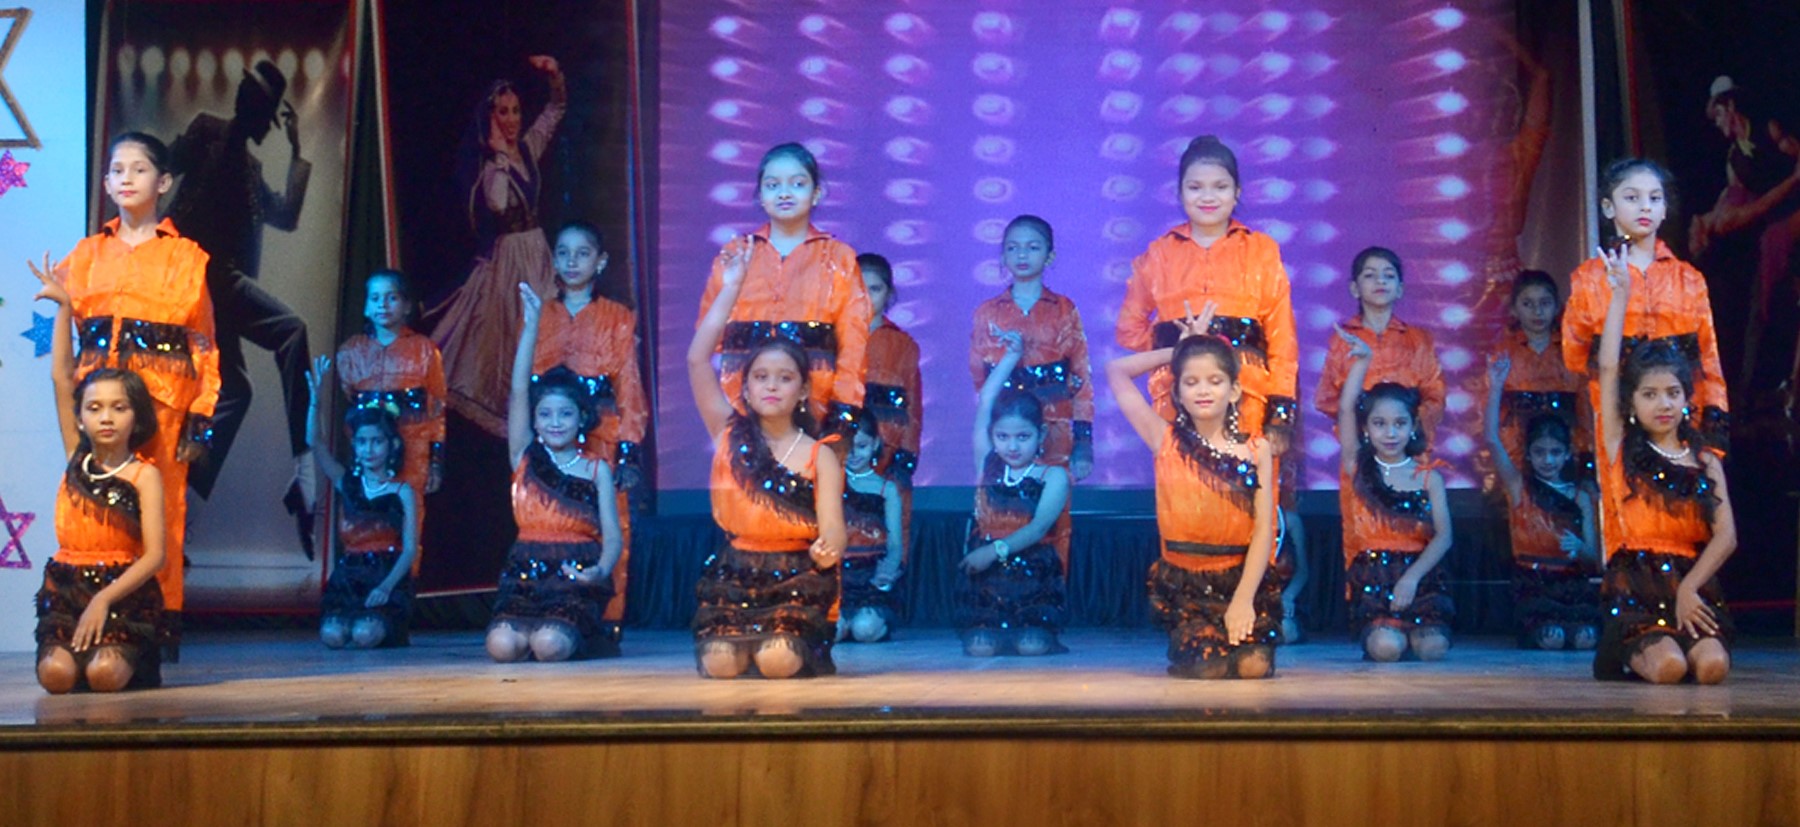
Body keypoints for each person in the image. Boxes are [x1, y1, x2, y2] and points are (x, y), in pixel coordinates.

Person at [43, 132, 216, 655]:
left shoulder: (186, 257)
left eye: (138, 169)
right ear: (105, 183)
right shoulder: (86, 254)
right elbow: (70, 334)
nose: (126, 179)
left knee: (162, 514)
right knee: (95, 504)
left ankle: (147, 632)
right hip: (98, 402)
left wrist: (200, 414)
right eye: (117, 170)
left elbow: (204, 343)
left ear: (163, 182)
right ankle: (90, 621)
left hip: (162, 403)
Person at [688, 243, 845, 678]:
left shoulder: (820, 454)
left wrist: (829, 548)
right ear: (746, 387)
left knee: (777, 662)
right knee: (721, 665)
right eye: (760, 377)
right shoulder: (728, 433)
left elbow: (833, 528)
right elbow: (697, 360)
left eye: (784, 378)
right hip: (737, 575)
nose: (771, 386)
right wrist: (731, 287)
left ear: (803, 390)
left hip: (797, 578)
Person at [167, 59, 314, 510]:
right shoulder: (209, 132)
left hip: (220, 289)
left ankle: (182, 484)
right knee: (291, 330)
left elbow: (286, 216)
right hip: (199, 276)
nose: (268, 128)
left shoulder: (251, 169)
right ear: (249, 106)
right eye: (265, 116)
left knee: (236, 390)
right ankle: (305, 462)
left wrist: (297, 151)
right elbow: (165, 166)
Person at [1107, 301, 1279, 678]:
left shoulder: (1256, 449)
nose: (1203, 390)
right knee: (1210, 667)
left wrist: (1243, 600)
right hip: (1188, 584)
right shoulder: (1163, 439)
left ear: (1234, 390)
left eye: (1215, 381)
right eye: (1191, 381)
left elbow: (1264, 531)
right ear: (1178, 391)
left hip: (1239, 580)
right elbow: (1116, 371)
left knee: (1252, 667)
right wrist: (1181, 349)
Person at [1591, 244, 1737, 683]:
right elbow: (1608, 368)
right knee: (1671, 667)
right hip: (1636, 586)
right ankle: (1627, 650)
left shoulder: (1705, 459)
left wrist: (1690, 587)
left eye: (1673, 394)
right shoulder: (1620, 446)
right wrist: (1619, 296)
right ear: (1633, 404)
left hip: (1691, 582)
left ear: (1687, 399)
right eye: (1650, 395)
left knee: (1711, 668)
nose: (1664, 404)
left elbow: (1726, 536)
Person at [29, 267, 168, 693]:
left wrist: (104, 599)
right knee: (56, 677)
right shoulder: (78, 456)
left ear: (136, 417)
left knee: (103, 676)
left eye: (118, 408)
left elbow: (155, 556)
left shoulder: (144, 474)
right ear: (81, 418)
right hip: (68, 588)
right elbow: (61, 378)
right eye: (94, 408)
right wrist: (65, 308)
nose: (106, 417)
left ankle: (130, 660)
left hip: (122, 593)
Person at [1117, 135, 1299, 446]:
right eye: (1195, 187)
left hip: (1247, 396)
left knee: (1250, 475)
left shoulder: (1261, 250)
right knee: (1182, 476)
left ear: (1237, 192)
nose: (1208, 197)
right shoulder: (1159, 254)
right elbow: (1128, 330)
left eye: (1220, 187)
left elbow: (1282, 338)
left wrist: (1280, 413)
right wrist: (1178, 344)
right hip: (1177, 393)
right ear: (1179, 193)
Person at [484, 284, 624, 662]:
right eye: (545, 414)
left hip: (574, 577)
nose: (555, 422)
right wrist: (532, 326)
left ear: (581, 419)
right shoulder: (524, 458)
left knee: (549, 646)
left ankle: (576, 635)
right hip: (525, 574)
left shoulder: (596, 469)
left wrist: (600, 570)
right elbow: (519, 389)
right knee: (501, 648)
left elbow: (613, 537)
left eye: (565, 414)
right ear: (534, 420)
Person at [430, 56, 567, 437]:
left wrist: (555, 76)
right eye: (502, 112)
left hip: (537, 250)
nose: (511, 119)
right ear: (491, 117)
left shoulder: (528, 149)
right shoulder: (493, 165)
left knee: (547, 330)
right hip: (510, 258)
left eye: (516, 111)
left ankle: (550, 411)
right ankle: (516, 422)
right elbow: (498, 204)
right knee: (511, 335)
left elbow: (556, 110)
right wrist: (500, 155)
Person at [697, 142, 870, 437]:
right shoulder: (737, 254)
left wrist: (843, 412)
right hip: (744, 409)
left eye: (798, 184)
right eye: (772, 185)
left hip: (817, 410)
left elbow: (853, 344)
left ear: (817, 193)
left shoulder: (839, 258)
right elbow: (709, 335)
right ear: (760, 195)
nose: (784, 193)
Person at [1564, 158, 1729, 467]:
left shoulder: (1688, 279)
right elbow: (1575, 357)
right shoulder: (1589, 279)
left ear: (1665, 209)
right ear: (1608, 207)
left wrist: (1712, 441)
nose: (1645, 207)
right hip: (1619, 421)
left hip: (1683, 420)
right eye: (1632, 197)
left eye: (1654, 198)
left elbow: (1709, 361)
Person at [531, 220, 648, 640]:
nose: (572, 261)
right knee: (549, 518)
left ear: (600, 262)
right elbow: (523, 382)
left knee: (610, 521)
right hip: (549, 435)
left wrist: (629, 451)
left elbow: (628, 386)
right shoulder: (541, 314)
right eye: (563, 253)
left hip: (601, 435)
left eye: (582, 253)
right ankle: (548, 607)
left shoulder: (618, 316)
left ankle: (606, 617)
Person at [968, 215, 1090, 567]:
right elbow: (979, 378)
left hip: (1054, 431)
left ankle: (1050, 590)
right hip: (1007, 431)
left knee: (1053, 520)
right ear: (1002, 255)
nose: (1022, 255)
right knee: (1001, 508)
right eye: (1013, 248)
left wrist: (1083, 443)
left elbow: (1081, 378)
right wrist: (996, 426)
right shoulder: (987, 313)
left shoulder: (1064, 310)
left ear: (1050, 256)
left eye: (1033, 247)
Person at [1333, 325, 1454, 662]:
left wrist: (1411, 579)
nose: (1390, 433)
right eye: (1380, 424)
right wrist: (1363, 362)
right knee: (1386, 648)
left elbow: (1444, 536)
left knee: (1433, 649)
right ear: (1366, 429)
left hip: (1419, 578)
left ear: (1412, 427)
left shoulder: (1428, 477)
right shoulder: (1358, 466)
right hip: (1374, 579)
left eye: (1399, 424)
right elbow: (1345, 410)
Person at [957, 327, 1072, 657]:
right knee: (981, 649)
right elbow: (986, 402)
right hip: (987, 577)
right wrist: (1011, 356)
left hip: (1032, 574)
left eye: (1023, 437)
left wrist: (993, 552)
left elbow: (1037, 528)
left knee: (1030, 646)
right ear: (992, 436)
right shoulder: (988, 461)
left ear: (1041, 434)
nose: (1012, 446)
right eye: (1003, 437)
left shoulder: (1053, 476)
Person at [1484, 360, 1600, 650]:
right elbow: (1492, 440)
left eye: (1555, 453)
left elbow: (1594, 556)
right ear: (1529, 454)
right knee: (1553, 638)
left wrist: (1580, 548)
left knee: (1585, 639)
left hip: (1572, 584)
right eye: (1540, 452)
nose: (1548, 460)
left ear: (1567, 454)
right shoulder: (1519, 487)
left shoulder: (1580, 496)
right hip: (1533, 584)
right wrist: (1495, 387)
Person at [333, 269, 444, 572]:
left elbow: (436, 410)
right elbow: (349, 403)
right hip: (367, 451)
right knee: (362, 518)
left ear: (406, 305)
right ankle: (360, 585)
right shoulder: (351, 351)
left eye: (391, 298)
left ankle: (402, 588)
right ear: (366, 306)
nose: (382, 305)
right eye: (375, 298)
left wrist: (435, 460)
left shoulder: (425, 350)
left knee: (408, 524)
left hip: (412, 451)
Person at [305, 360, 417, 649]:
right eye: (362, 442)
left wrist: (386, 587)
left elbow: (410, 549)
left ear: (391, 445)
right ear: (354, 445)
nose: (369, 449)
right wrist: (315, 402)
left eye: (377, 441)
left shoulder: (402, 491)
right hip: (349, 579)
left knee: (365, 634)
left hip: (384, 576)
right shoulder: (347, 483)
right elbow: (314, 443)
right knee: (333, 636)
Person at [1315, 246, 1446, 443]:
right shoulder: (1342, 340)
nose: (1380, 281)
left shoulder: (1418, 340)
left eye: (1389, 275)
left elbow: (1435, 396)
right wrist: (1364, 421)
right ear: (1354, 288)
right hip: (1361, 446)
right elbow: (1325, 399)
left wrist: (1406, 424)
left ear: (1400, 289)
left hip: (1408, 447)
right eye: (1370, 275)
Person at [1482, 270, 1591, 486]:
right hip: (1516, 457)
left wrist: (1586, 465)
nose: (1537, 311)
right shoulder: (1503, 353)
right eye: (1528, 304)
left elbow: (1586, 414)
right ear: (1514, 309)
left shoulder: (1573, 352)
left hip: (1564, 456)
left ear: (1557, 306)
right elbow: (1491, 415)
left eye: (1544, 303)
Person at [859, 253, 923, 485]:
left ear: (889, 293)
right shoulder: (830, 340)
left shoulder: (903, 345)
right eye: (858, 289)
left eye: (874, 289)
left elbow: (912, 407)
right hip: (837, 449)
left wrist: (905, 457)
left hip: (887, 452)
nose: (866, 297)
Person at [839, 415, 904, 643]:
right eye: (847, 447)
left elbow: (895, 543)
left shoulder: (886, 489)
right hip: (837, 574)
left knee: (864, 629)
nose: (853, 454)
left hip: (870, 575)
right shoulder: (831, 483)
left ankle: (873, 623)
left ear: (875, 443)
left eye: (861, 446)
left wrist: (886, 573)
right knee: (833, 630)